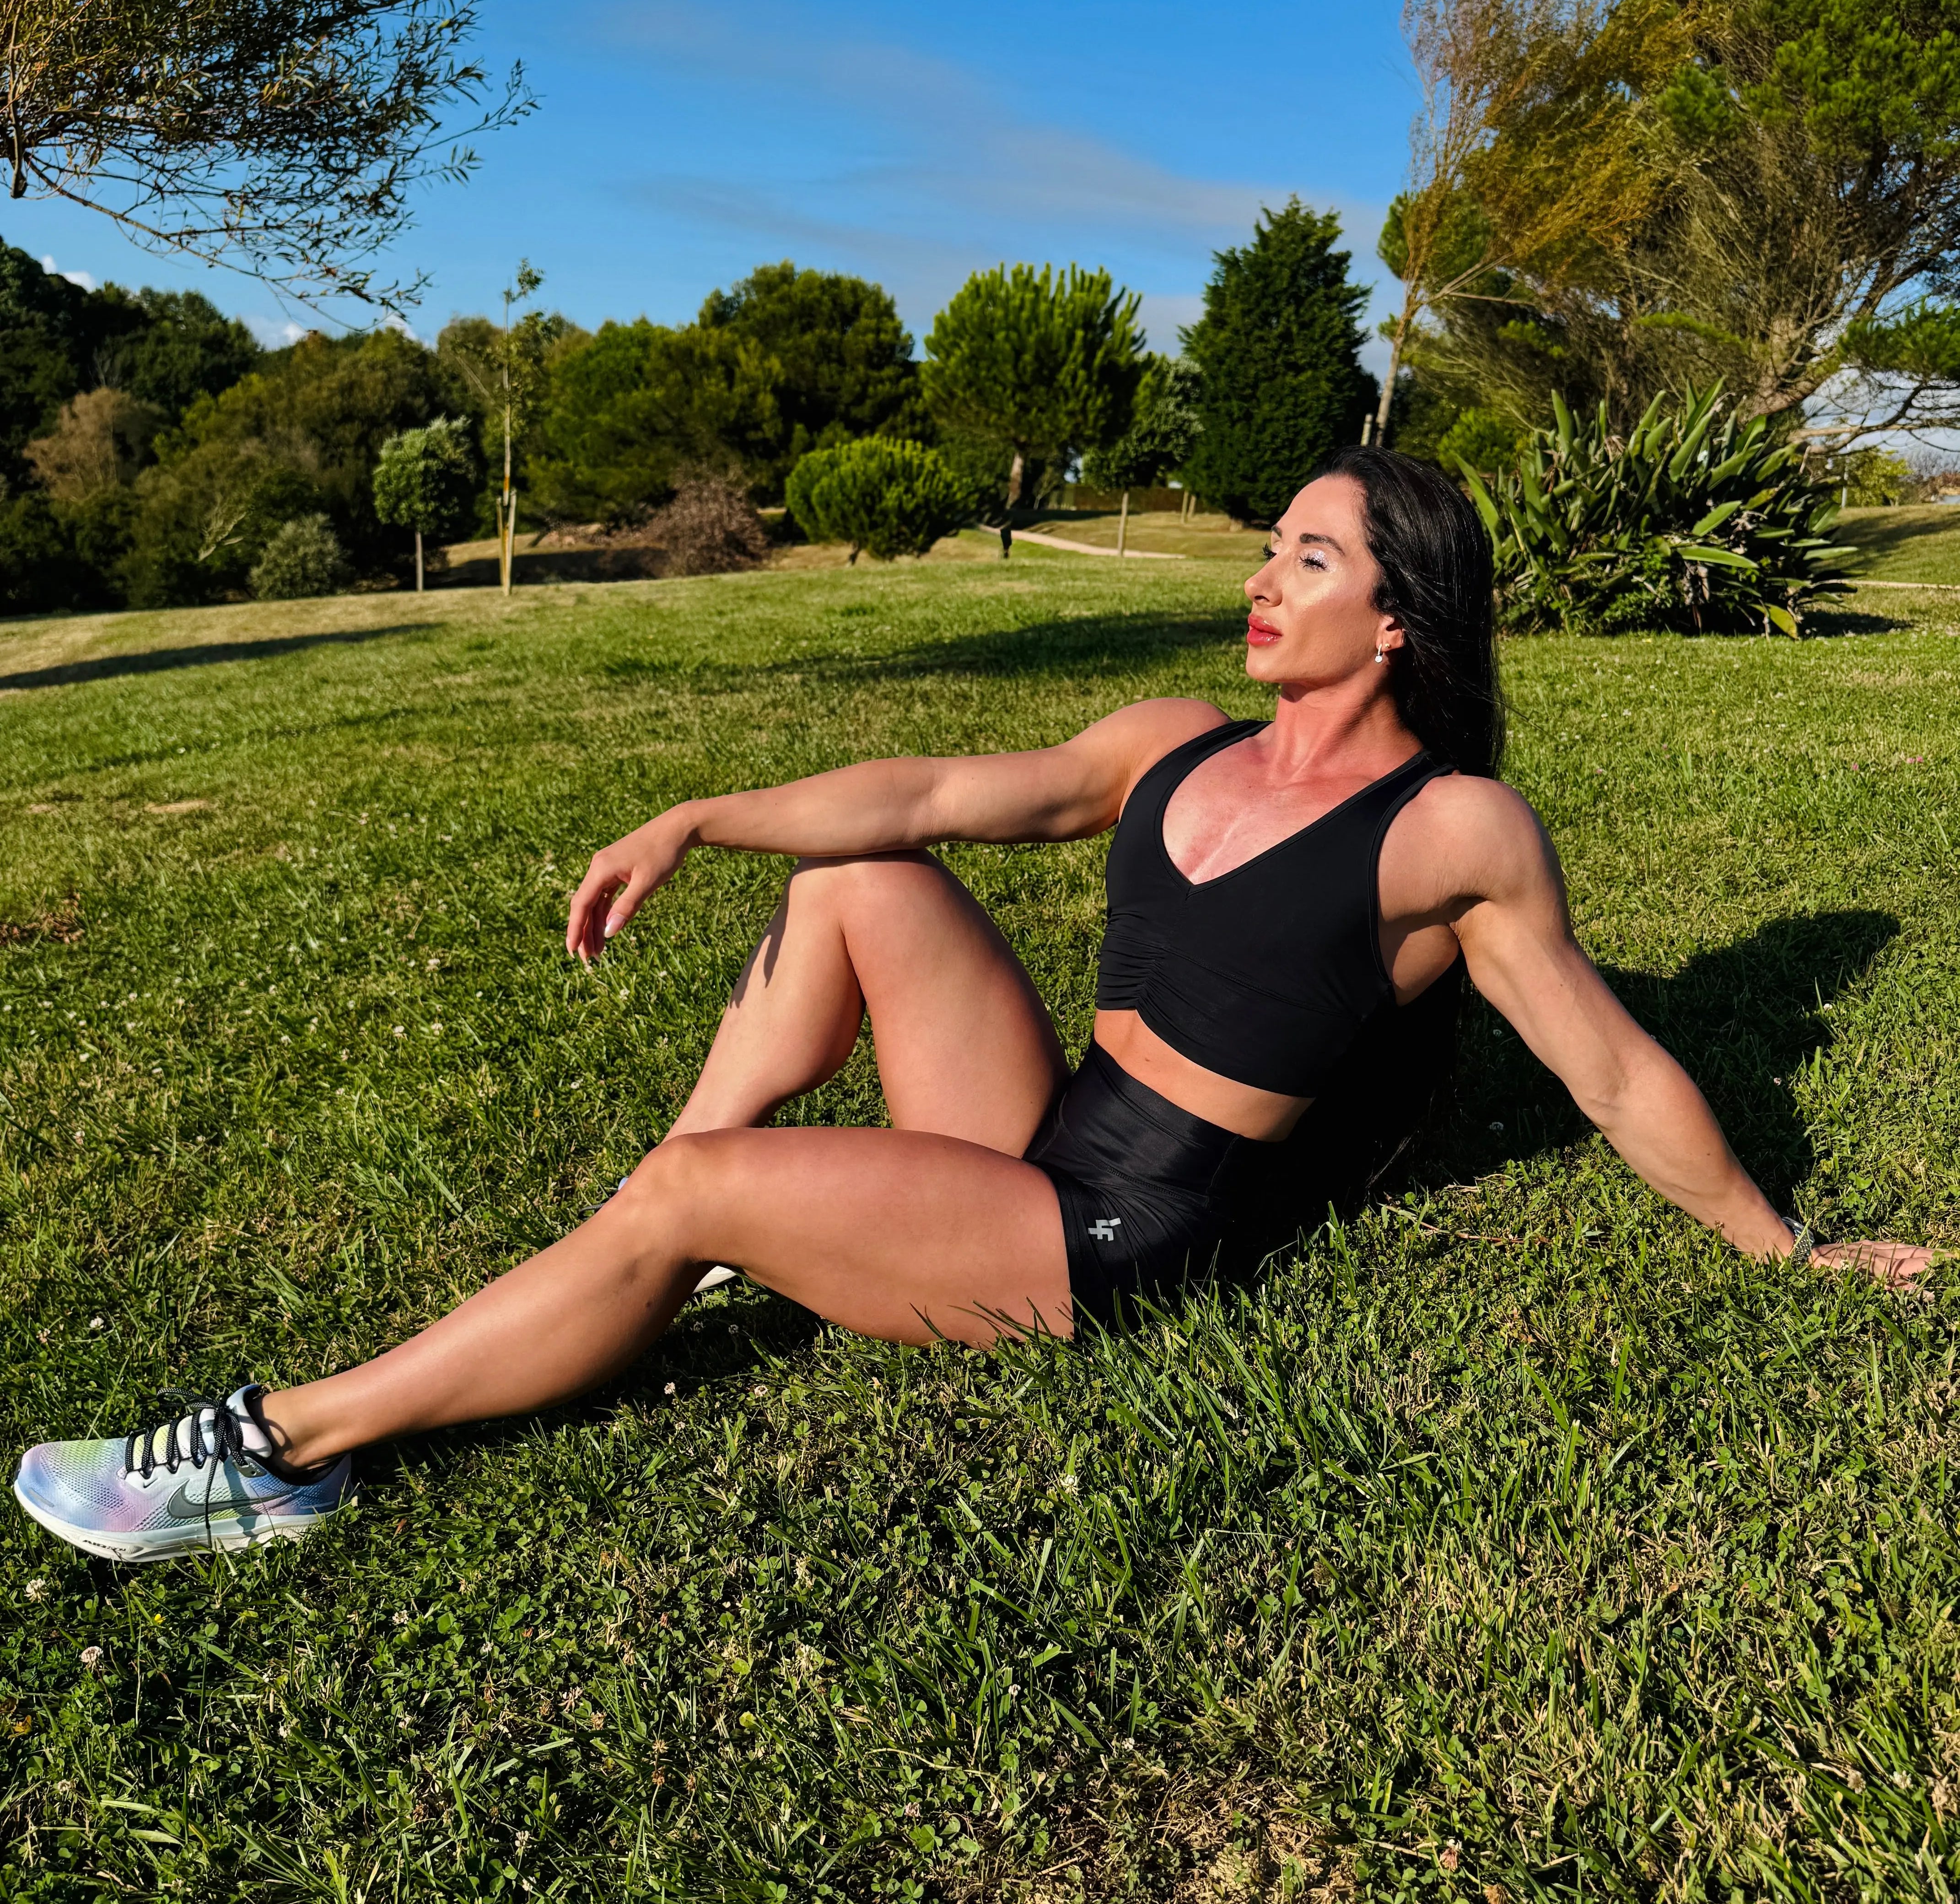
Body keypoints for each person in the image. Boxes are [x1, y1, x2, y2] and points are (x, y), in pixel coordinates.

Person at [13, 450, 1936, 1564]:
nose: (1263, 583)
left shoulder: (1452, 833)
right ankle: (684, 1234)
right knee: (853, 876)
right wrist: (703, 815)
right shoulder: (1175, 740)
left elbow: (1605, 1062)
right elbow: (932, 801)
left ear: (1402, 617)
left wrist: (1787, 1250)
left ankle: (281, 1453)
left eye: (1310, 560)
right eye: (1268, 547)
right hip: (1041, 1128)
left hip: (1116, 1236)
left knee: (692, 1189)